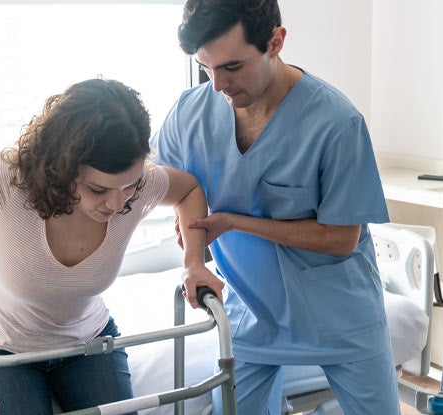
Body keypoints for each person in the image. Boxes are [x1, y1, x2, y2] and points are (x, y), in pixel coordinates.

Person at [0, 78, 223, 414]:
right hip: (1, 346)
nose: (116, 204)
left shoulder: (140, 187)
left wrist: (194, 261)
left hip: (88, 341)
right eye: (98, 189)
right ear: (61, 167)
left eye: (128, 186)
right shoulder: (5, 177)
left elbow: (189, 189)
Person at [152, 1, 400, 414]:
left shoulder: (336, 123)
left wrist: (233, 222)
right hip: (252, 309)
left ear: (275, 41)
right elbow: (181, 190)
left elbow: (340, 239)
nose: (217, 85)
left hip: (340, 315)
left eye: (232, 67)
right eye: (206, 68)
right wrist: (193, 258)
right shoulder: (189, 113)